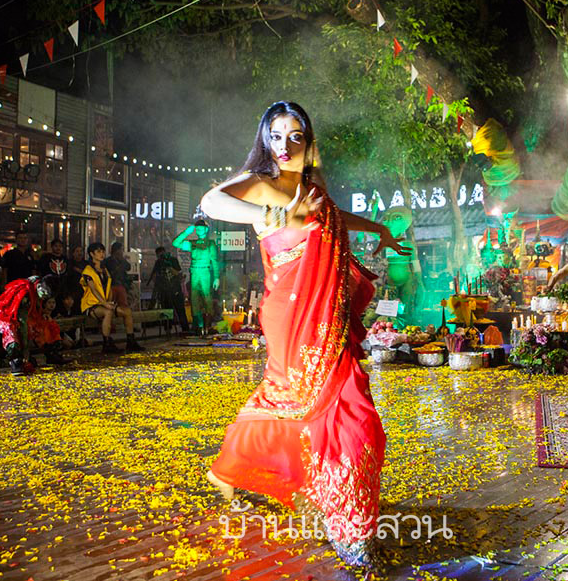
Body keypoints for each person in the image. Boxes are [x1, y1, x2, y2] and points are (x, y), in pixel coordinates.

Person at [199, 101, 407, 567]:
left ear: (310, 143)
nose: (286, 145)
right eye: (276, 135)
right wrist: (277, 215)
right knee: (325, 410)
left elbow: (333, 218)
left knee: (304, 404)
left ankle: (233, 473)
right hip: (291, 317)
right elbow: (211, 202)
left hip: (326, 312)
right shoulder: (264, 185)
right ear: (265, 140)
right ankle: (351, 531)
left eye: (296, 136)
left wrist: (378, 230)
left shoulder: (312, 189)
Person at [81, 242, 144, 354]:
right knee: (108, 312)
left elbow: (108, 287)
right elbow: (94, 290)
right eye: (98, 252)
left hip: (105, 302)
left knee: (127, 311)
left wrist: (110, 301)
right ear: (91, 254)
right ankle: (106, 343)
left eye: (103, 251)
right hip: (92, 305)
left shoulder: (104, 270)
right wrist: (105, 303)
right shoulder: (88, 271)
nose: (102, 254)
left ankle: (130, 341)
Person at [173, 220, 220, 335]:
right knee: (194, 300)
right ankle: (198, 327)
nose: (199, 230)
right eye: (197, 228)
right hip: (194, 272)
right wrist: (187, 232)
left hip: (205, 271)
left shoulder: (210, 243)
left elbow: (214, 260)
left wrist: (217, 277)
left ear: (206, 229)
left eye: (201, 228)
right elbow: (176, 243)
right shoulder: (192, 243)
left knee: (207, 298)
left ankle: (207, 326)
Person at [147, 246, 189, 333]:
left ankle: (185, 329)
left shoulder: (173, 260)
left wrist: (169, 267)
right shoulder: (158, 263)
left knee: (180, 310)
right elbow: (154, 276)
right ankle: (168, 330)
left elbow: (178, 274)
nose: (161, 257)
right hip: (164, 291)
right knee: (166, 311)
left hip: (175, 289)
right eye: (159, 256)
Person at [103, 241, 132, 308]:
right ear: (117, 250)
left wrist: (123, 260)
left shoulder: (121, 260)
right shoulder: (109, 261)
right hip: (112, 285)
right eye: (121, 249)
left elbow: (128, 267)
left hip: (121, 284)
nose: (122, 251)